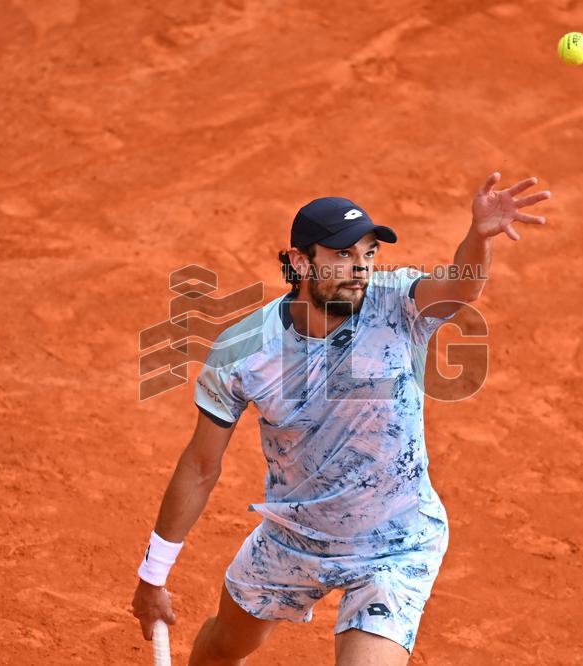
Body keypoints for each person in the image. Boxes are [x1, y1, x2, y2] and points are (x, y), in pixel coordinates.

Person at [131, 172, 551, 665]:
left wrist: (478, 237)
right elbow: (201, 467)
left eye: (368, 254)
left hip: (394, 546)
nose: (359, 269)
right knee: (223, 648)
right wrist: (153, 575)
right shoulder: (244, 351)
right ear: (298, 262)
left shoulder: (398, 303)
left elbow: (462, 290)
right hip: (293, 537)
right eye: (342, 255)